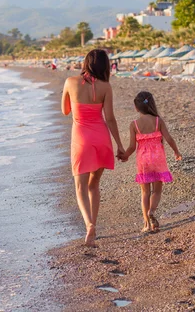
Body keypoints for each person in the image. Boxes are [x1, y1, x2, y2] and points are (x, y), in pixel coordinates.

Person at [61, 49, 125, 247]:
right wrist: (120, 146)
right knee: (94, 184)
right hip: (102, 138)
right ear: (105, 66)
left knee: (80, 186)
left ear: (86, 63)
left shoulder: (70, 82)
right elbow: (110, 118)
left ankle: (89, 225)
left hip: (81, 139)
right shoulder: (106, 86)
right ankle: (93, 225)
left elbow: (65, 111)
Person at [120, 91, 181, 233]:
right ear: (151, 104)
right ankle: (152, 211)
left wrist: (125, 156)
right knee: (157, 191)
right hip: (158, 159)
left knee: (145, 192)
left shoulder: (134, 124)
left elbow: (131, 147)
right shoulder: (158, 121)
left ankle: (147, 224)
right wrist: (176, 152)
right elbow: (169, 139)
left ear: (136, 108)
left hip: (143, 160)